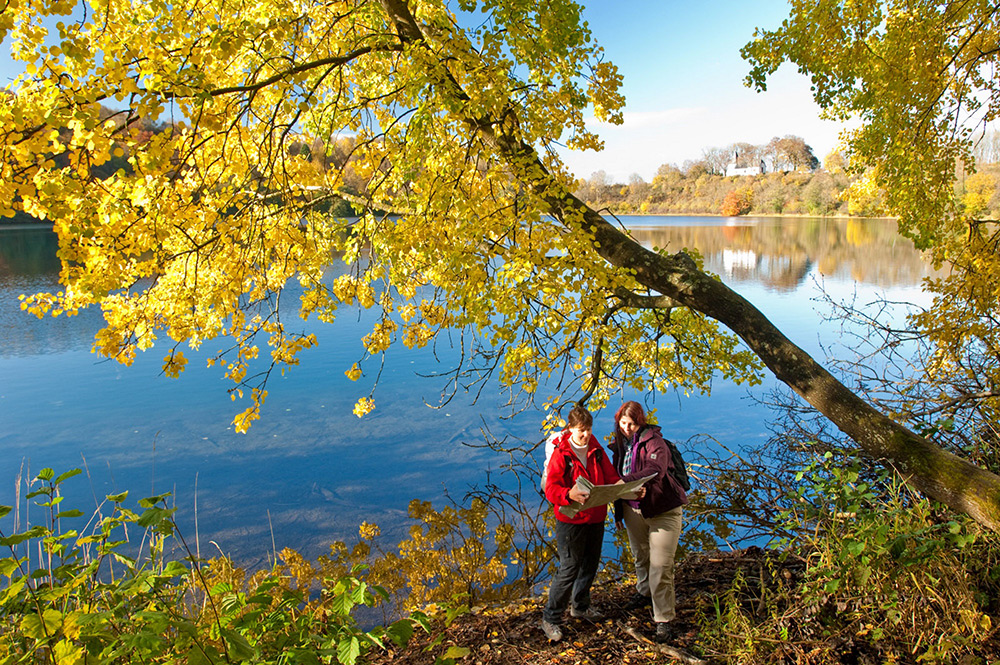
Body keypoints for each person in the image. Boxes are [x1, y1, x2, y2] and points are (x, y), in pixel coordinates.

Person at [540, 405, 621, 643]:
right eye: (581, 431)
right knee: (569, 568)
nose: (585, 435)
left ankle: (580, 607)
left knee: (589, 565)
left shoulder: (595, 449)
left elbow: (610, 476)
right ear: (571, 429)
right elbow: (552, 489)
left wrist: (621, 487)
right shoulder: (562, 453)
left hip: (595, 517)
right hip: (571, 520)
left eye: (588, 430)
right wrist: (569, 494)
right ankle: (551, 618)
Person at [610, 400, 688, 644]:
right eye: (623, 423)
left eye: (632, 423)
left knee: (661, 565)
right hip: (633, 511)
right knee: (640, 555)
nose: (627, 428)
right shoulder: (620, 445)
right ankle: (644, 593)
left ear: (640, 421)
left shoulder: (656, 442)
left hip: (663, 509)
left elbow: (656, 470)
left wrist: (630, 483)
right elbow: (615, 481)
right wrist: (618, 513)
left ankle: (663, 619)